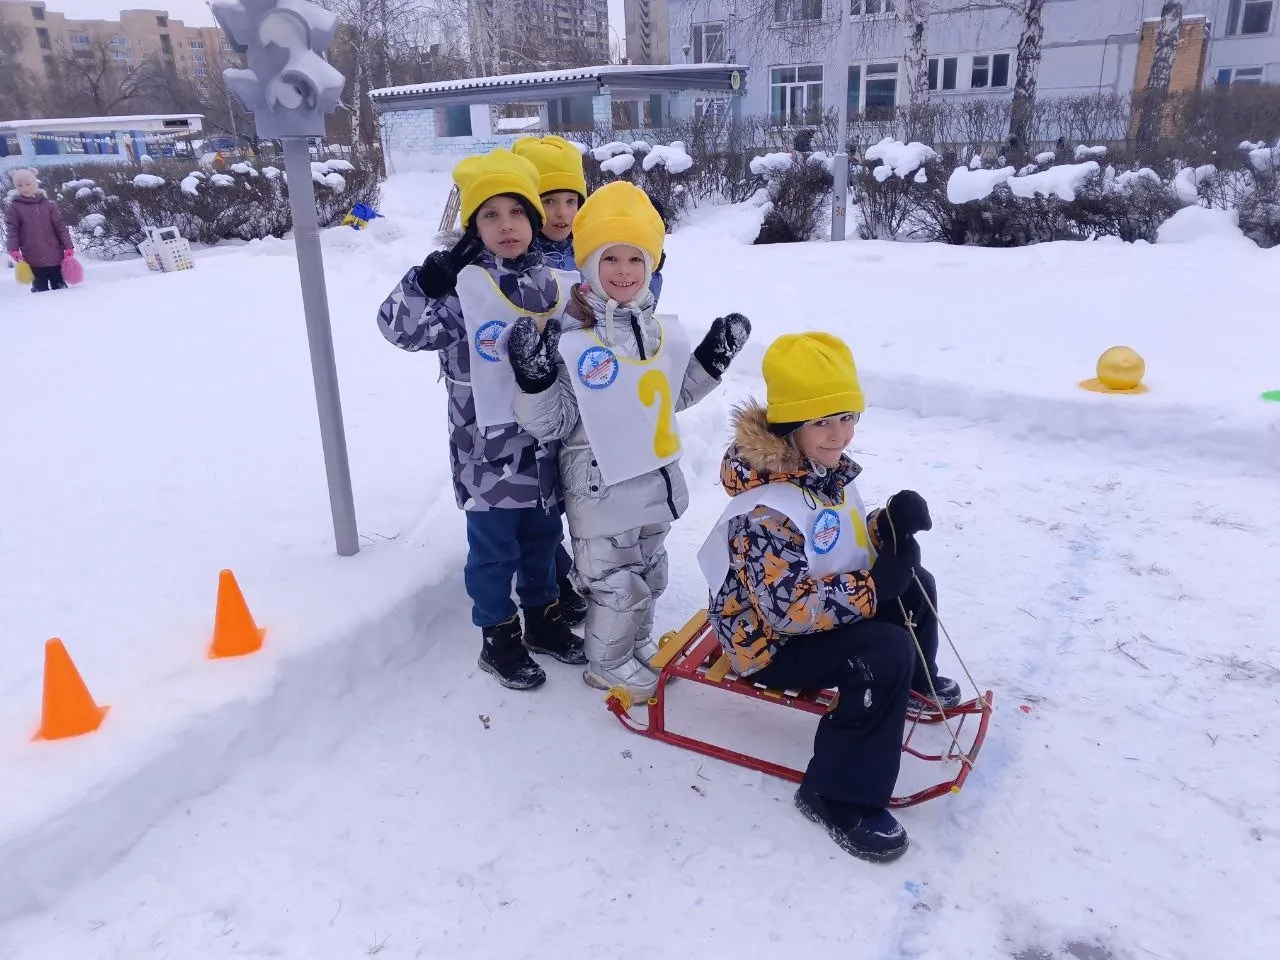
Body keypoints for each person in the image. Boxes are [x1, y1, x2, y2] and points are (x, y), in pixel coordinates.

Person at [699, 332, 958, 863]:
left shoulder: (821, 469)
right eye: (822, 421)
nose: (840, 434)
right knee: (883, 651)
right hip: (767, 643)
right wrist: (875, 587)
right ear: (790, 425)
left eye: (847, 416)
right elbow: (788, 611)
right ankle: (838, 795)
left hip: (806, 612)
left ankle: (914, 682)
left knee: (917, 584)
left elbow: (836, 539)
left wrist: (889, 527)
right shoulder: (764, 511)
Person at [508, 180, 750, 699]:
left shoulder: (656, 331)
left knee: (650, 574)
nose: (623, 271)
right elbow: (551, 422)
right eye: (610, 258)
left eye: (635, 258)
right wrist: (535, 380)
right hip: (601, 488)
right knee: (616, 585)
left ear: (651, 264)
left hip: (652, 481)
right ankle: (608, 663)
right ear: (589, 264)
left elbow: (671, 398)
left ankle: (634, 647)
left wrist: (709, 361)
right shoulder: (573, 337)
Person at [376, 148, 585, 690]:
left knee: (543, 538)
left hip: (545, 445)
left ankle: (543, 618)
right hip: (487, 453)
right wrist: (426, 281)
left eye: (517, 212)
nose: (506, 225)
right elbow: (400, 329)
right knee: (493, 551)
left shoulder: (550, 284)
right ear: (473, 228)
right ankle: (498, 637)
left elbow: (589, 338)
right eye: (490, 215)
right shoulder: (463, 290)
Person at [5, 168, 73, 293]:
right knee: (40, 290)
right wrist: (13, 249)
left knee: (60, 288)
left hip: (54, 255)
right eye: (20, 185)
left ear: (34, 183)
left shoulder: (48, 205)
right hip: (32, 256)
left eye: (28, 184)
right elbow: (12, 230)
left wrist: (68, 246)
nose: (25, 188)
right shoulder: (15, 208)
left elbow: (60, 226)